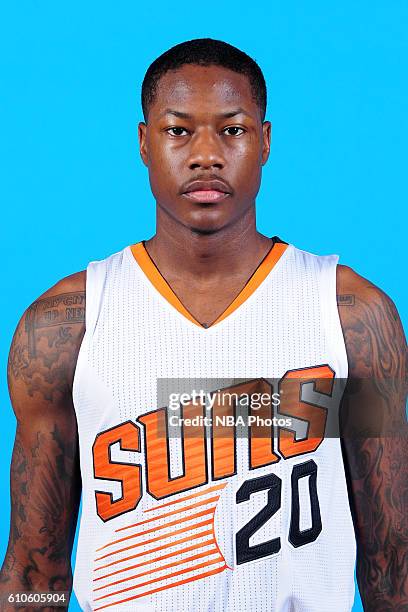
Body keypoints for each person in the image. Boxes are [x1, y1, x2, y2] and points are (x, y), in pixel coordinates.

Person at [0, 38, 406, 612]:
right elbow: (33, 568)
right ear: (144, 141)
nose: (206, 155)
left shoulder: (350, 316)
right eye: (179, 130)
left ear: (265, 141)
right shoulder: (66, 325)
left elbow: (392, 560)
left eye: (233, 130)